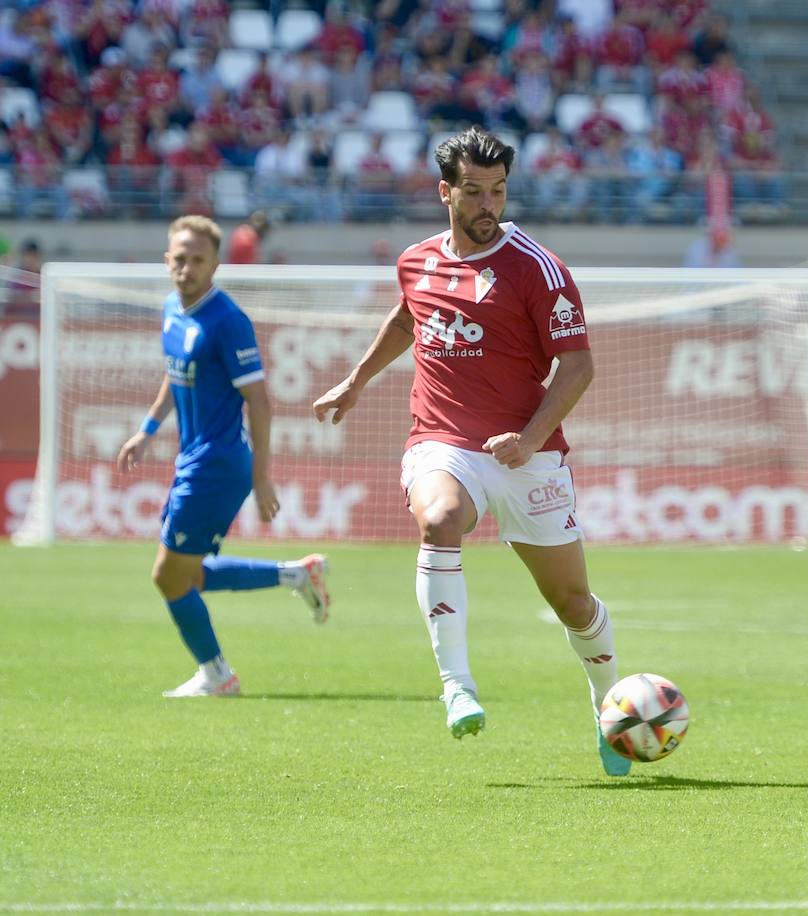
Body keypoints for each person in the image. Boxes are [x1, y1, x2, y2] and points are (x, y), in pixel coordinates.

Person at [310, 127, 630, 776]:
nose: (490, 204)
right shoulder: (417, 261)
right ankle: (457, 684)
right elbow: (407, 317)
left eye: (500, 191)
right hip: (444, 442)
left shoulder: (538, 269)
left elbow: (578, 367)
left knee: (573, 605)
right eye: (476, 191)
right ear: (445, 192)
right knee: (439, 518)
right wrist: (355, 380)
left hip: (527, 455)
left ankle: (608, 708)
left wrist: (531, 438)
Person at [116, 216, 330, 698]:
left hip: (218, 464)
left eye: (197, 260)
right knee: (187, 573)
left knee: (167, 576)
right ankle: (298, 573)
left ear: (216, 263)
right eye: (179, 258)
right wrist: (146, 431)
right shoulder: (173, 308)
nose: (186, 267)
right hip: (191, 459)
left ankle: (217, 674)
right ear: (166, 260)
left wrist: (262, 478)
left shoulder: (228, 320)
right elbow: (175, 374)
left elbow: (259, 402)